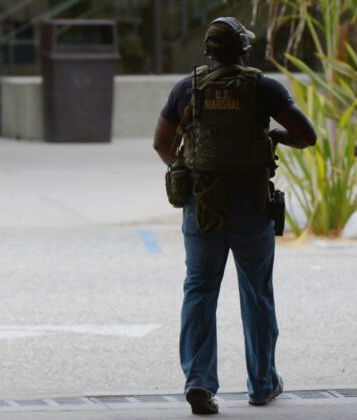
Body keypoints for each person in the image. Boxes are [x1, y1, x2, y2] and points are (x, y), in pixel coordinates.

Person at [153, 17, 316, 415]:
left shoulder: (187, 89)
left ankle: (199, 383)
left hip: (202, 206)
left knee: (199, 290)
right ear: (244, 50)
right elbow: (307, 135)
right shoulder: (263, 87)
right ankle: (262, 384)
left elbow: (161, 144)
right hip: (251, 204)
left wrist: (194, 168)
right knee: (256, 292)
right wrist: (274, 137)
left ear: (209, 52)